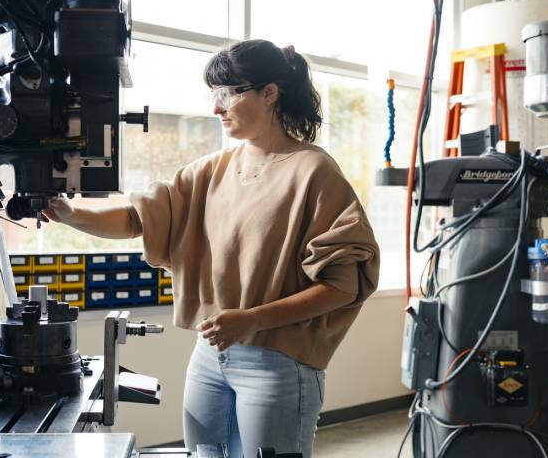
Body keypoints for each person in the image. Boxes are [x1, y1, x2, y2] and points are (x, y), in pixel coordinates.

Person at [44, 39, 380, 458]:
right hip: (211, 354)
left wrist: (251, 319)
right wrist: (69, 213)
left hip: (278, 361)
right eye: (213, 94)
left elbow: (343, 288)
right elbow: (136, 218)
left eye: (226, 93)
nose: (215, 107)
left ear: (269, 92)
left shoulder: (313, 171)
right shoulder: (211, 170)